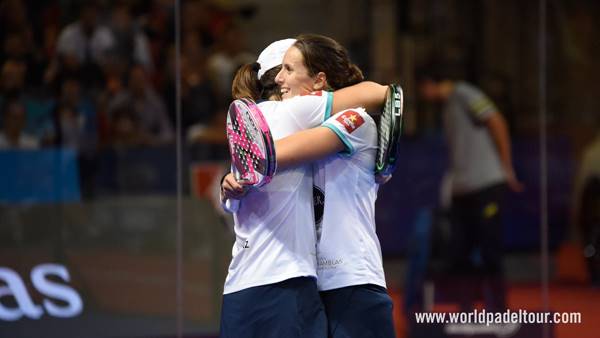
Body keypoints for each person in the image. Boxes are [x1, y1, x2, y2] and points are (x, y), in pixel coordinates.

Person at [223, 34, 396, 338]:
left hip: (352, 279)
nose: (281, 79)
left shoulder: (354, 118)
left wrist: (239, 170)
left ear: (318, 80)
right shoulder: (293, 118)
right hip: (320, 282)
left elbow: (271, 156)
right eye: (281, 70)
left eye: (289, 70)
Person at [417, 66, 523, 311]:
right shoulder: (446, 109)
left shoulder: (464, 93)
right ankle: (465, 311)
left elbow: (496, 121)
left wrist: (506, 166)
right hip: (462, 191)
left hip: (486, 185)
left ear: (428, 84)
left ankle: (498, 312)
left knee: (490, 251)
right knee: (459, 254)